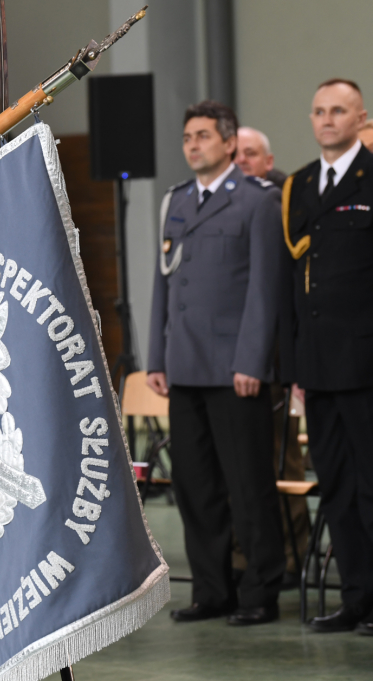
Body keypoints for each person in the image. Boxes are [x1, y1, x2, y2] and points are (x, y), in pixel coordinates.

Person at [147, 100, 285, 626]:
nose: (193, 145)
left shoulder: (256, 202)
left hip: (235, 371)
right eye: (187, 137)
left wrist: (252, 361)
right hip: (183, 368)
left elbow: (263, 294)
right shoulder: (176, 202)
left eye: (203, 135)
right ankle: (212, 590)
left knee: (248, 485)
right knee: (195, 486)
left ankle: (259, 591)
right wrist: (157, 356)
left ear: (229, 143)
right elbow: (164, 285)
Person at [281, 78, 373, 635]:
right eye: (318, 110)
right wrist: (293, 365)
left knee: (372, 485)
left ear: (361, 117)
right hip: (317, 367)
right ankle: (356, 599)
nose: (327, 119)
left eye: (338, 110)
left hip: (366, 365)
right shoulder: (299, 185)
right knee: (336, 485)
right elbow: (294, 282)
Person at [233, 125, 309, 581]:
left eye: (250, 154)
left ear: (268, 160)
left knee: (286, 461)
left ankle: (295, 556)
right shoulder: (228, 202)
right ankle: (250, 558)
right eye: (236, 154)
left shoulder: (288, 204)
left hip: (280, 357)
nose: (242, 161)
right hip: (233, 358)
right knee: (243, 469)